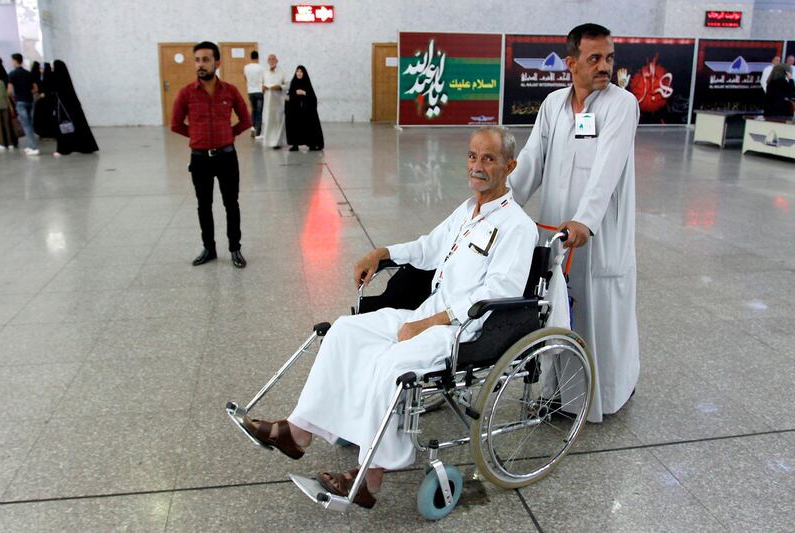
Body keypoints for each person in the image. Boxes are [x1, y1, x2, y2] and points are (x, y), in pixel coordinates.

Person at [240, 126, 538, 508]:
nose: (476, 166)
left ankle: (370, 477)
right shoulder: (468, 210)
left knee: (390, 363)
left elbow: (496, 295)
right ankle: (298, 432)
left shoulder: (517, 227)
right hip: (428, 313)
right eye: (472, 156)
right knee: (344, 332)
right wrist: (381, 253)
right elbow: (429, 248)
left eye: (489, 158)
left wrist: (428, 324)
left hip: (463, 332)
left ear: (510, 166)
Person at [508, 23, 640, 423]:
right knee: (558, 313)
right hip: (555, 235)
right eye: (594, 58)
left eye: (610, 58)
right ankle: (557, 395)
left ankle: (606, 395)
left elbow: (607, 170)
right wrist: (501, 199)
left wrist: (585, 220)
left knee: (597, 315)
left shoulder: (621, 104)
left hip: (596, 236)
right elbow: (532, 159)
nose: (605, 67)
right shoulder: (553, 105)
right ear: (571, 63)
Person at [171, 41, 251, 269]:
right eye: (197, 60)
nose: (201, 65)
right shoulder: (186, 93)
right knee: (203, 205)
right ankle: (209, 248)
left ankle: (235, 248)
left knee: (231, 203)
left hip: (227, 157)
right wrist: (196, 137)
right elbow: (176, 124)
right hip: (199, 159)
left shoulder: (230, 91)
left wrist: (228, 135)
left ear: (217, 62)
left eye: (206, 60)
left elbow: (245, 120)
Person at [52, 60, 99, 155]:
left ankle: (63, 149)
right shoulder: (66, 80)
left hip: (65, 110)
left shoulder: (59, 81)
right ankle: (86, 147)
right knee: (79, 127)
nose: (52, 69)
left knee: (65, 129)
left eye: (53, 67)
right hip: (74, 109)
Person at [285, 65, 324, 152]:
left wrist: (304, 92)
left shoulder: (307, 83)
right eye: (297, 71)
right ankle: (295, 145)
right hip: (295, 110)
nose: (299, 73)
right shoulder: (293, 83)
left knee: (309, 125)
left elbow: (313, 98)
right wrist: (295, 93)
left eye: (301, 71)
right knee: (294, 125)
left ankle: (312, 144)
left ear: (304, 73)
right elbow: (289, 96)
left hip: (306, 111)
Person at [7, 53, 39, 155]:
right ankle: (30, 145)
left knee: (26, 125)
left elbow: (10, 91)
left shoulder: (12, 74)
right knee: (29, 123)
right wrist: (28, 92)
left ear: (15, 61)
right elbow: (35, 89)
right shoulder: (28, 73)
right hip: (29, 100)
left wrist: (13, 97)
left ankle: (34, 147)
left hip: (20, 101)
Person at [261, 54, 287, 149]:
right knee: (269, 121)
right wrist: (262, 87)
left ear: (277, 60)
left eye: (273, 59)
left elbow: (287, 85)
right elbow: (261, 84)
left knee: (278, 121)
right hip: (268, 102)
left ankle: (277, 142)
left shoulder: (282, 72)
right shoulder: (265, 73)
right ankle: (270, 142)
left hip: (278, 101)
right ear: (268, 61)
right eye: (270, 59)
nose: (271, 61)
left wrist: (280, 87)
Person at [0, 54, 19, 152]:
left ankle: (1, 143)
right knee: (7, 123)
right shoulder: (3, 78)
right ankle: (10, 142)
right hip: (5, 104)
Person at [243, 51, 264, 139]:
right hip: (259, 91)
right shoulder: (261, 67)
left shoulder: (246, 67)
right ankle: (258, 132)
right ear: (257, 57)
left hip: (250, 91)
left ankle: (252, 128)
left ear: (250, 57)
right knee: (259, 112)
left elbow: (245, 78)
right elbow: (263, 79)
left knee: (253, 110)